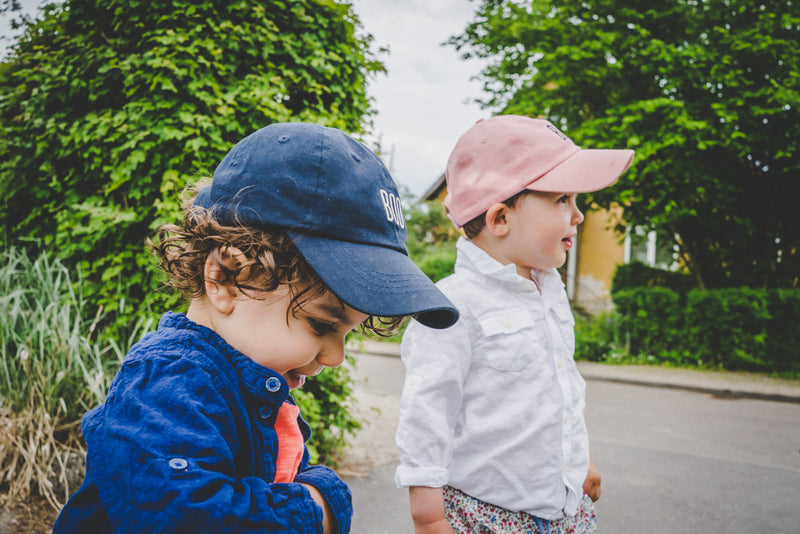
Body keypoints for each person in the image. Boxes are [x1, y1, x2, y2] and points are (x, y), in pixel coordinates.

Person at [53, 122, 459, 534]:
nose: (336, 357)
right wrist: (322, 502)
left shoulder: (250, 383)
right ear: (227, 277)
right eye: (321, 323)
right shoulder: (167, 380)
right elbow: (190, 520)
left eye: (348, 331)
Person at [395, 115, 634, 533]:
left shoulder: (550, 292)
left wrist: (583, 457)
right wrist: (429, 517)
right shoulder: (453, 306)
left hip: (566, 510)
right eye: (563, 200)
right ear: (500, 218)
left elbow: (563, 388)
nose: (578, 216)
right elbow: (426, 416)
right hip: (489, 514)